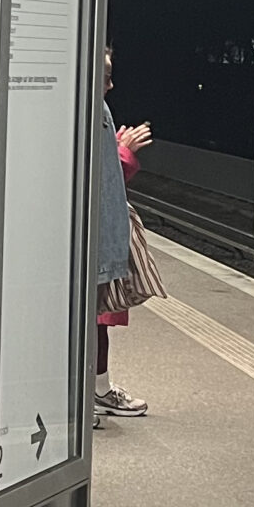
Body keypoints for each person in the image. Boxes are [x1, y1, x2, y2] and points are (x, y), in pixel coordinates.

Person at [94, 50, 163, 421]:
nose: (111, 84)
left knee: (91, 320)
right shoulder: (94, 112)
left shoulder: (89, 111)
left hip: (94, 239)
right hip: (96, 240)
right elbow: (101, 180)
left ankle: (94, 391)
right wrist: (124, 152)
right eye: (106, 75)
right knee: (91, 319)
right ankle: (95, 392)